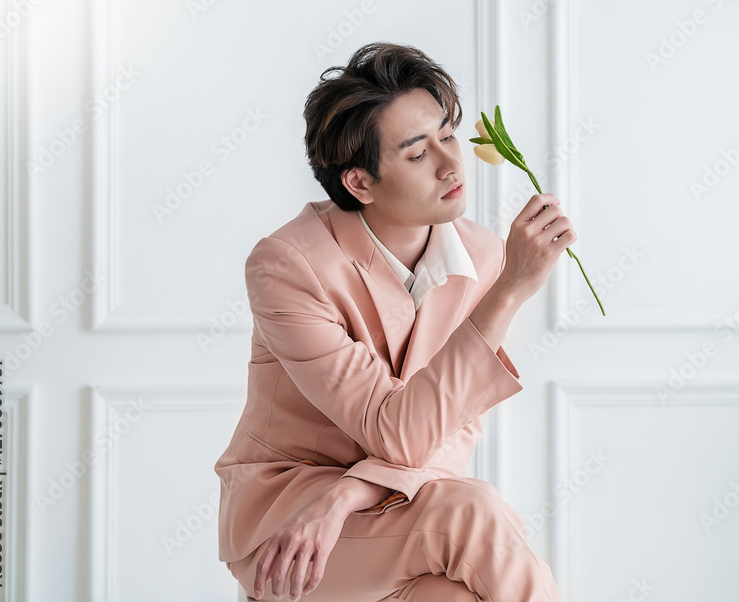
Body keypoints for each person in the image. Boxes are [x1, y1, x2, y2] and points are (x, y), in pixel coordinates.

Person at [214, 41, 574, 601]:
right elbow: (396, 431)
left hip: (396, 504)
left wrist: (349, 493)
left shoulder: (483, 255)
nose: (450, 164)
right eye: (417, 154)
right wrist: (510, 292)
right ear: (359, 182)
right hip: (295, 521)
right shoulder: (288, 266)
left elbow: (451, 431)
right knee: (472, 511)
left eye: (447, 136)